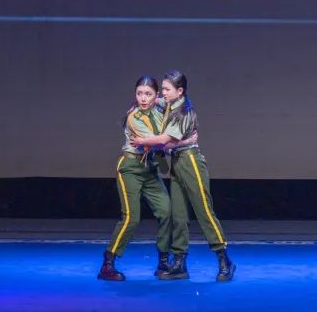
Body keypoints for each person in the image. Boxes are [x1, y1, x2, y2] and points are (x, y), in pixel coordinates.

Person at [132, 70, 235, 282]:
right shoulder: (169, 103)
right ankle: (179, 263)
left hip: (190, 161)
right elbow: (152, 100)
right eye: (162, 89)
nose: (163, 93)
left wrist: (143, 141)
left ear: (180, 91)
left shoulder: (183, 112)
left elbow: (164, 141)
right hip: (177, 162)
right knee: (179, 215)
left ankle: (224, 259)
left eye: (167, 89)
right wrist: (146, 98)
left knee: (204, 211)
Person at [98, 76, 173, 281]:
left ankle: (163, 261)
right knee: (131, 217)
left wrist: (169, 99)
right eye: (139, 93)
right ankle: (108, 263)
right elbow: (159, 143)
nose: (143, 98)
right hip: (130, 168)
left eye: (148, 94)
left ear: (156, 95)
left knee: (166, 211)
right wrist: (185, 141)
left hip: (149, 169)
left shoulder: (159, 108)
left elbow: (173, 100)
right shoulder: (134, 117)